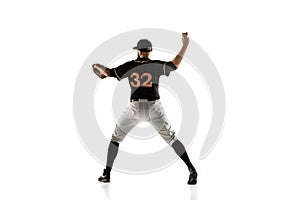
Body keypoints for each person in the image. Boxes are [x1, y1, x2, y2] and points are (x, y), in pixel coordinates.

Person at [92, 32, 197, 185]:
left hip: (134, 108)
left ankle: (106, 174)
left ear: (138, 51)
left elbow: (108, 73)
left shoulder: (130, 65)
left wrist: (98, 68)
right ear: (149, 51)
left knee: (115, 138)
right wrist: (185, 45)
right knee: (172, 138)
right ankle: (191, 170)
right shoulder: (154, 65)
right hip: (154, 107)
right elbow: (175, 64)